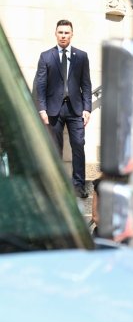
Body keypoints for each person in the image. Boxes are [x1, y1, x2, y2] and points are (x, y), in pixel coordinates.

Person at [35, 19, 92, 198]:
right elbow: (40, 85)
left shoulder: (81, 56)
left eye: (67, 32)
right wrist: (42, 109)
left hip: (76, 110)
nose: (63, 36)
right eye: (60, 32)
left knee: (78, 146)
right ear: (56, 34)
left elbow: (86, 85)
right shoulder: (46, 56)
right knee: (54, 148)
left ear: (72, 34)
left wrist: (87, 108)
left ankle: (78, 185)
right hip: (53, 110)